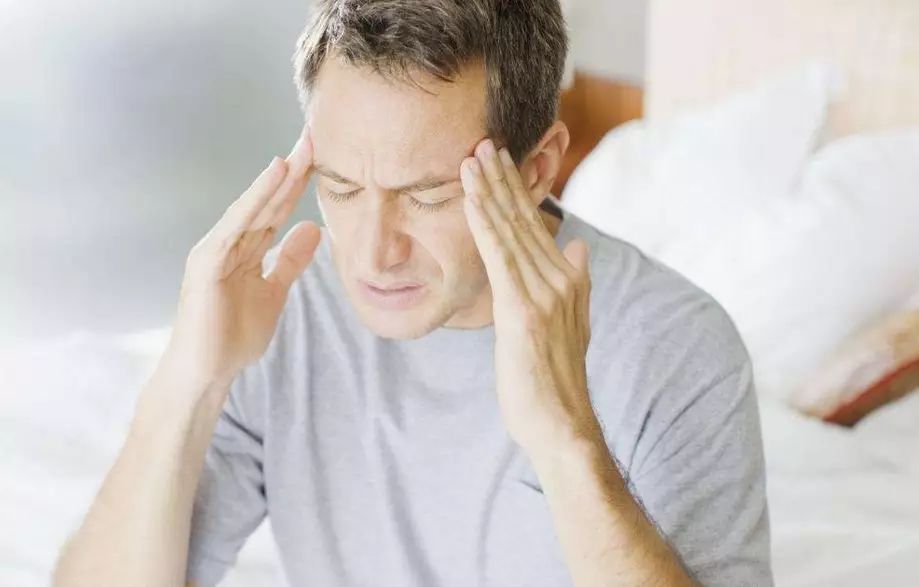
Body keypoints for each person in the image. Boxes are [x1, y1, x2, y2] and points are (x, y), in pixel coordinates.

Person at [53, 1, 773, 585]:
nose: (372, 252)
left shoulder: (675, 347)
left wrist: (566, 442)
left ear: (536, 170)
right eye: (339, 186)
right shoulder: (287, 312)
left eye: (426, 195)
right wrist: (187, 380)